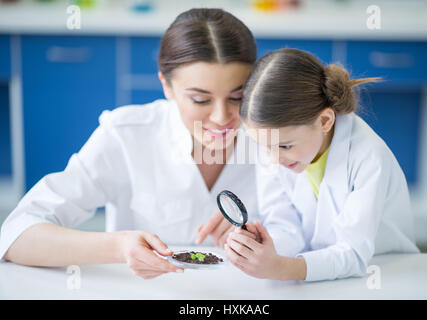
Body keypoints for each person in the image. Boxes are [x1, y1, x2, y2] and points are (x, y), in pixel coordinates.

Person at [0, 8, 259, 280]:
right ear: (166, 86)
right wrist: (119, 246)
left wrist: (266, 238)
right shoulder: (127, 135)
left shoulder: (274, 138)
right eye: (200, 100)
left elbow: (303, 243)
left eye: (237, 97)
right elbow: (15, 235)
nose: (221, 118)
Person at [224, 48, 420, 282]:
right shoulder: (272, 142)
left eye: (285, 146)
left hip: (383, 271)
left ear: (325, 121)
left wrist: (281, 268)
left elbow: (353, 254)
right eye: (264, 146)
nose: (273, 159)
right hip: (316, 269)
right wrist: (267, 244)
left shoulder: (368, 158)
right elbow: (285, 222)